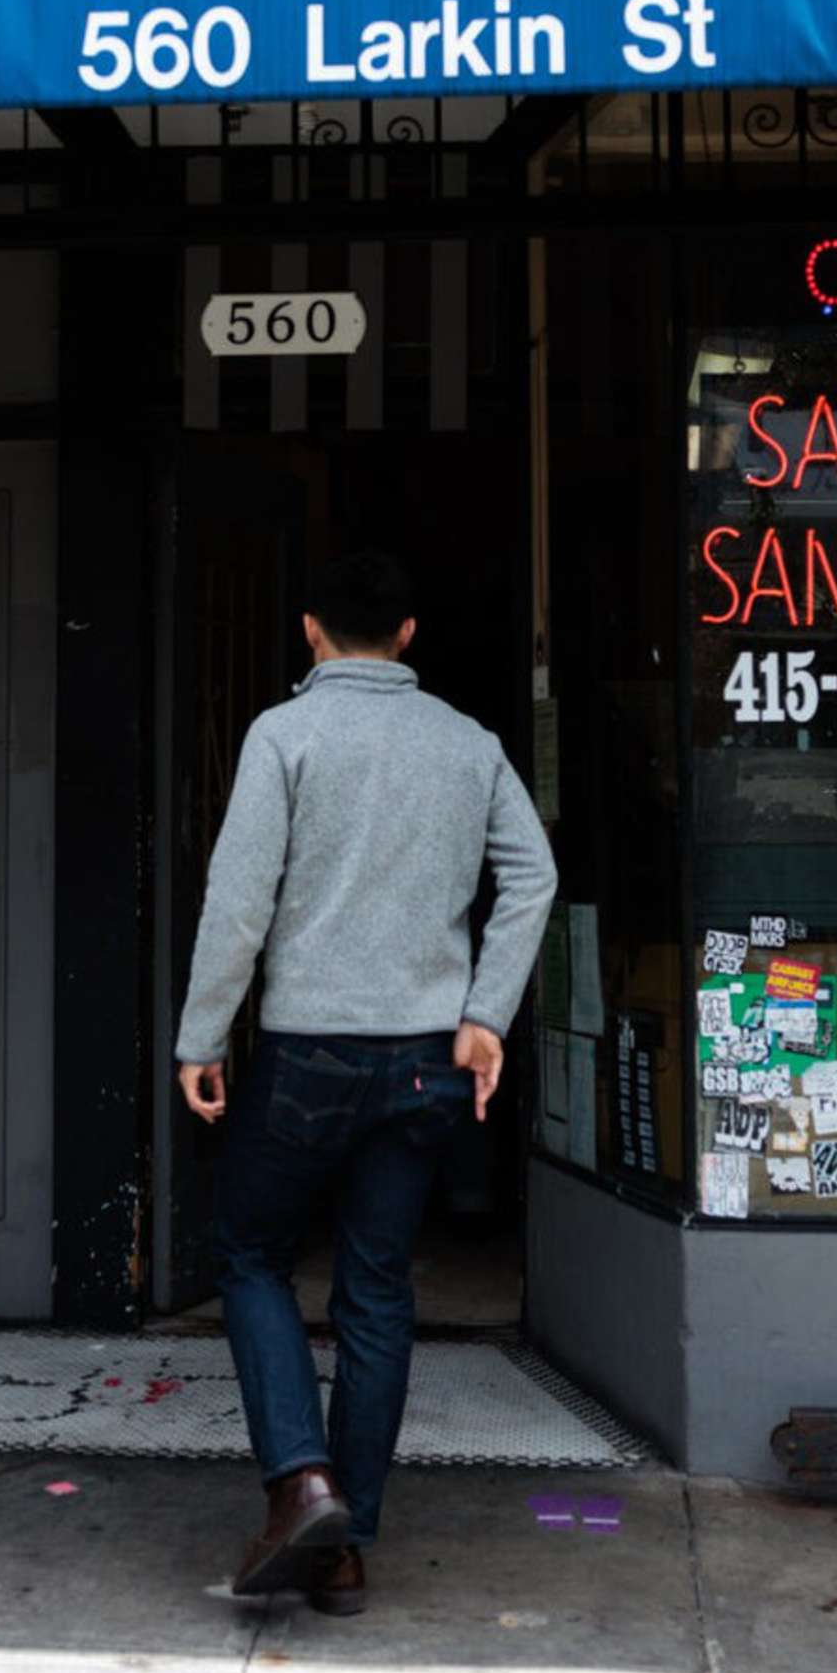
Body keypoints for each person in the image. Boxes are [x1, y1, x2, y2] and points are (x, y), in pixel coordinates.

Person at [174, 547, 559, 1616]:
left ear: (307, 630)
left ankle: (302, 1484)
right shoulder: (466, 743)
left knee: (249, 1254)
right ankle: (345, 1547)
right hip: (428, 1060)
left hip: (307, 1053)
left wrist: (202, 1032)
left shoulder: (282, 735)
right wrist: (484, 1016)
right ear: (406, 635)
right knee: (377, 1290)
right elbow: (533, 874)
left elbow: (238, 898)